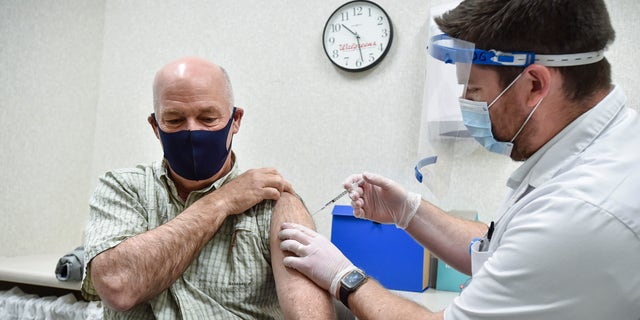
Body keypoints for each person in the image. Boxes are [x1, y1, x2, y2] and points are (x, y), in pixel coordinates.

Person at [278, 0, 640, 319]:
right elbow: (501, 249)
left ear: (534, 85)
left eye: (475, 89)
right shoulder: (603, 146)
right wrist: (410, 212)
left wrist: (344, 276)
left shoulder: (582, 210)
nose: (466, 102)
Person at [81, 56, 335, 319]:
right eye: (174, 119)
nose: (192, 131)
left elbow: (311, 315)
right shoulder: (123, 188)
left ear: (235, 120)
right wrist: (222, 201)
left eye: (208, 117)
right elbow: (118, 287)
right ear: (155, 126)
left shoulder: (273, 203)